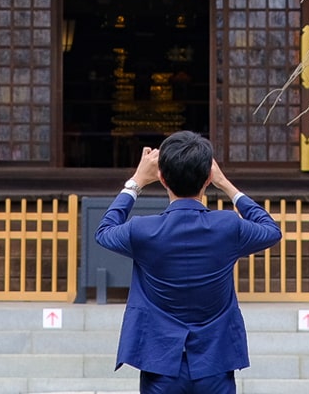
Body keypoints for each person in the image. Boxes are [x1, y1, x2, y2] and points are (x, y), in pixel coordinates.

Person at [95, 131, 282, 394]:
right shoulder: (227, 226)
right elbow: (271, 230)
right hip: (214, 358)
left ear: (162, 178)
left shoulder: (143, 231)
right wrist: (226, 184)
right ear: (208, 179)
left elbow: (103, 231)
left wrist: (136, 181)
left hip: (160, 361)